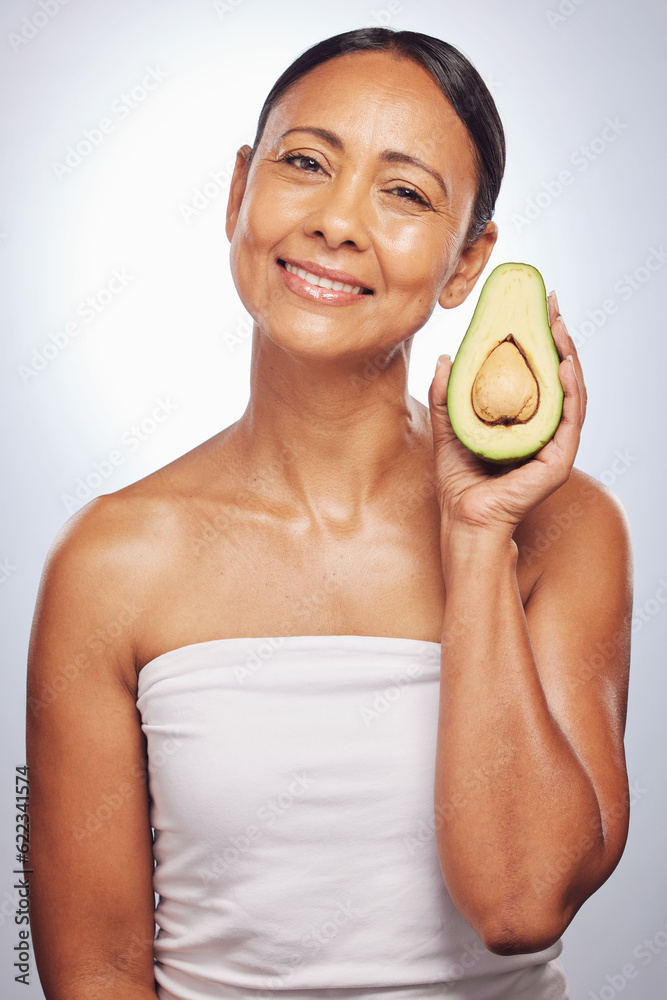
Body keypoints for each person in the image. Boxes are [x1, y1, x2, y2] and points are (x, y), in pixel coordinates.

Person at [26, 26, 632, 1000]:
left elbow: (521, 903)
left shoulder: (562, 529)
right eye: (305, 163)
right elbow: (91, 971)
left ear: (467, 263)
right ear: (238, 191)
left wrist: (474, 533)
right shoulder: (109, 559)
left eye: (403, 192)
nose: (338, 221)